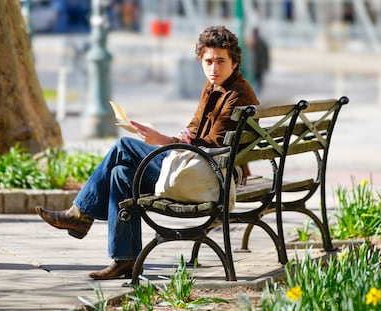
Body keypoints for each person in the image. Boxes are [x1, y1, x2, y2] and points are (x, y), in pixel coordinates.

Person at [35, 25, 260, 280]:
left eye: (221, 61)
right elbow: (197, 130)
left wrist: (164, 141)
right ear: (201, 61)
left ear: (234, 62)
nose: (213, 68)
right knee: (121, 174)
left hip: (213, 175)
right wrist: (181, 136)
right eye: (208, 61)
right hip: (199, 166)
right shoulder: (212, 88)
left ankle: (80, 214)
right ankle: (125, 260)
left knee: (123, 147)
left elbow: (215, 146)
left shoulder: (236, 94)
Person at [251, 27, 270, 95]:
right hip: (259, 64)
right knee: (258, 79)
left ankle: (257, 93)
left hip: (256, 64)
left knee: (257, 79)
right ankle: (257, 92)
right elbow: (266, 55)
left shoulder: (254, 41)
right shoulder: (261, 41)